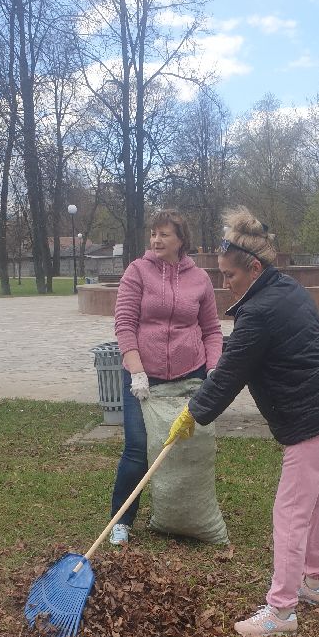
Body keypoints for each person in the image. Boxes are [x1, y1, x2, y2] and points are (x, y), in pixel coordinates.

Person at [165, 207, 319, 637]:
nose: (224, 285)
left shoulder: (260, 312)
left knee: (290, 511)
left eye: (230, 276)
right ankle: (314, 582)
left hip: (317, 420)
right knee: (312, 505)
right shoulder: (286, 289)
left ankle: (282, 613)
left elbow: (229, 374)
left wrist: (191, 414)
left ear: (254, 268)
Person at [109, 209, 223, 545]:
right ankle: (121, 521)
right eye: (153, 234)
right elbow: (125, 325)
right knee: (137, 448)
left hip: (191, 377)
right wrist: (136, 370)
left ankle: (185, 516)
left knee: (188, 447)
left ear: (181, 240)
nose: (156, 240)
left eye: (164, 234)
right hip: (144, 378)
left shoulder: (200, 278)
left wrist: (214, 368)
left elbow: (212, 330)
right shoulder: (137, 272)